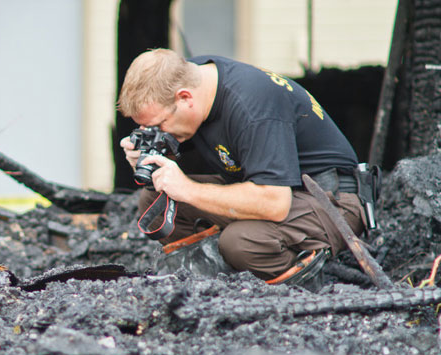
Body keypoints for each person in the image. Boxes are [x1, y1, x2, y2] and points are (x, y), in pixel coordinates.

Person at [118, 49, 367, 285]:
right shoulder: (196, 78)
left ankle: (312, 283)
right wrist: (147, 151)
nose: (159, 133)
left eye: (159, 125)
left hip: (332, 200)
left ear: (185, 98)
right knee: (155, 199)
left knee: (241, 242)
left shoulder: (253, 107)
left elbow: (274, 203)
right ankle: (210, 280)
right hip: (279, 191)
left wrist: (188, 189)